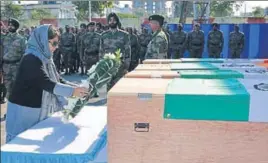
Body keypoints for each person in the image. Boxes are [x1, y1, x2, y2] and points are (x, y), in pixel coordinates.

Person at [5, 25, 89, 143]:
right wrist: (73, 92)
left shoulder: (45, 58)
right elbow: (46, 83)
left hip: (34, 109)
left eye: (57, 43)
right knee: (20, 145)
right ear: (42, 40)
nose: (56, 47)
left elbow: (57, 80)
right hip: (23, 112)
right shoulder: (30, 59)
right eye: (53, 43)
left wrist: (76, 88)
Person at [99, 12, 131, 91]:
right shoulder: (103, 35)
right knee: (109, 89)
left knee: (119, 89)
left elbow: (128, 51)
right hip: (108, 66)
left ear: (117, 21)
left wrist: (126, 66)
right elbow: (101, 51)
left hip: (120, 65)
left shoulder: (124, 35)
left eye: (114, 20)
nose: (112, 22)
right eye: (110, 20)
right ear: (108, 22)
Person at [2, 18, 27, 99]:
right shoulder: (4, 37)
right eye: (8, 25)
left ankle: (17, 106)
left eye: (11, 25)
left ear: (16, 27)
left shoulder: (21, 39)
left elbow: (25, 54)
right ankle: (10, 106)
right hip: (5, 66)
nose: (9, 27)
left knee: (17, 87)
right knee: (7, 87)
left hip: (16, 66)